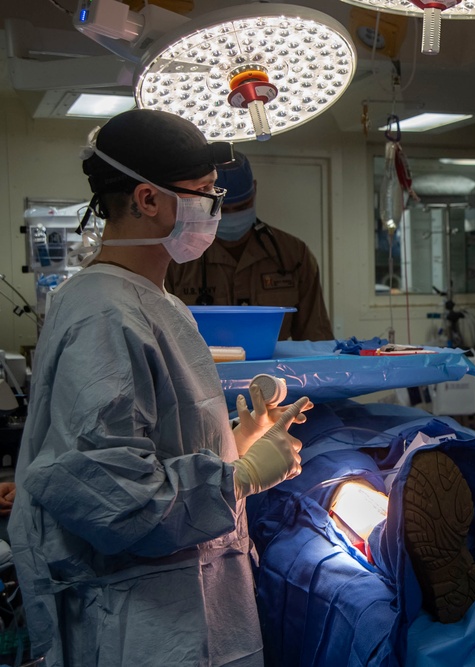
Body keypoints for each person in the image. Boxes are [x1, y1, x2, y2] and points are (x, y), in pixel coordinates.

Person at [9, 108, 312, 667]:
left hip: (185, 605)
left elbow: (151, 445)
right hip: (141, 625)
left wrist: (234, 443)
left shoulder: (156, 302)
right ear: (147, 200)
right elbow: (115, 498)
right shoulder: (104, 313)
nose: (213, 210)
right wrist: (238, 478)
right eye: (202, 194)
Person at [165, 150, 334, 342]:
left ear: (254, 190)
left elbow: (317, 338)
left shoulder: (293, 255)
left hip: (273, 371)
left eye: (242, 207)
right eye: (222, 209)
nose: (232, 217)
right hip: (202, 370)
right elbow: (165, 340)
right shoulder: (178, 256)